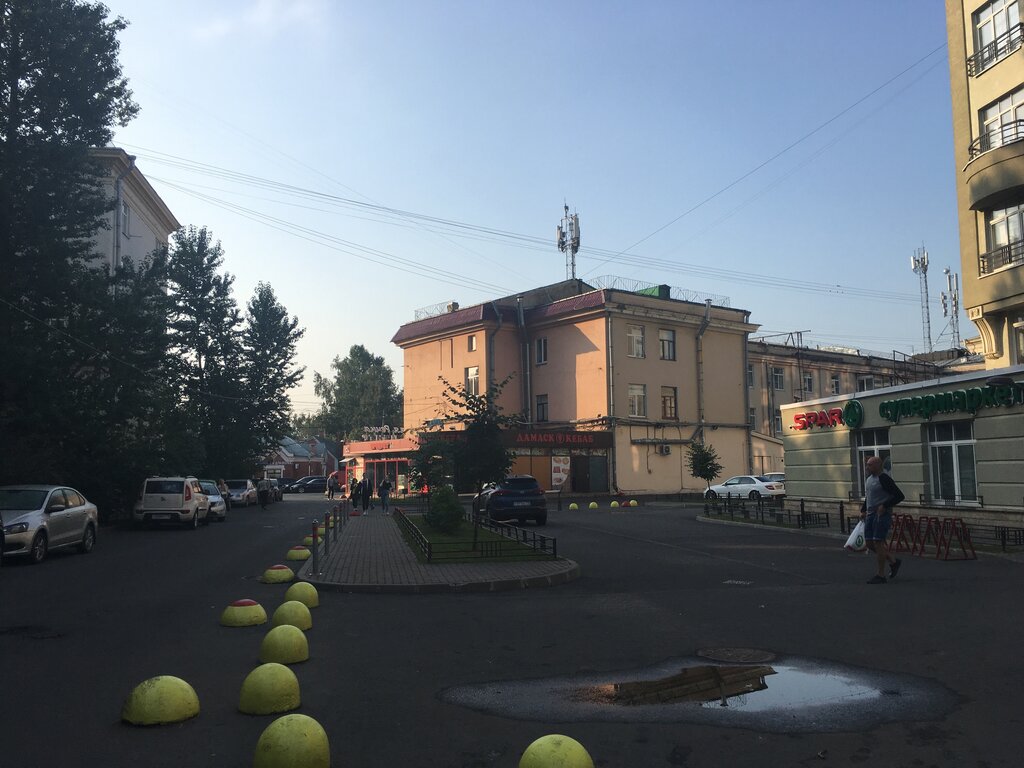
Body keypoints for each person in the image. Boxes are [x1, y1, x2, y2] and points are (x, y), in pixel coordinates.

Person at [860, 455, 905, 584]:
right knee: (869, 543)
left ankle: (880, 575)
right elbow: (869, 496)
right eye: (867, 464)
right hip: (870, 514)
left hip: (881, 515)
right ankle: (893, 561)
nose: (867, 467)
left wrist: (884, 506)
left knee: (878, 542)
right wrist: (863, 510)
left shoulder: (884, 479)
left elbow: (899, 496)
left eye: (870, 465)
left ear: (878, 466)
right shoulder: (869, 479)